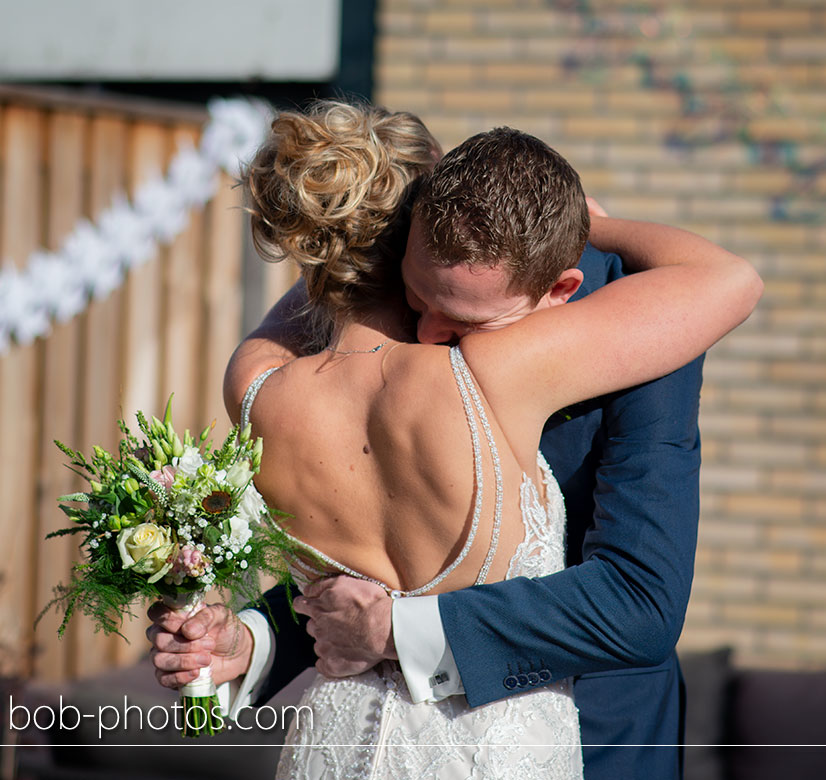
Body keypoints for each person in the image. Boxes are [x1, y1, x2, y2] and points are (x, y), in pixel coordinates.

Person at [148, 101, 761, 778]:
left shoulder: (649, 319)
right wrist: (253, 642)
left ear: (559, 289)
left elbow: (638, 602)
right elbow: (367, 562)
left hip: (598, 739)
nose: (432, 332)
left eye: (466, 318)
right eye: (417, 297)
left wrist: (393, 631)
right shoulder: (419, 291)